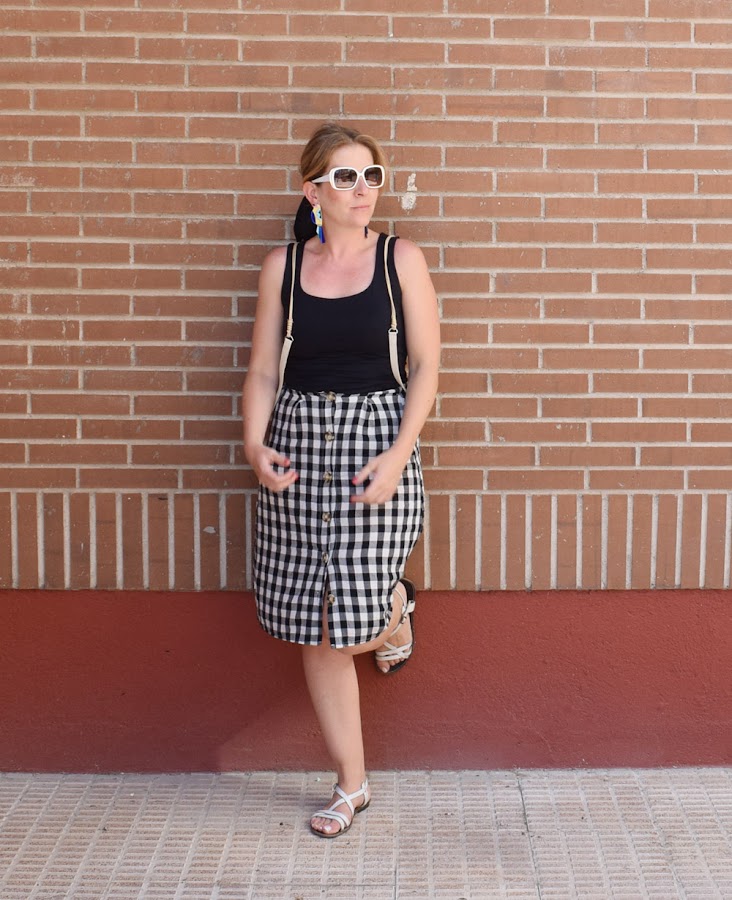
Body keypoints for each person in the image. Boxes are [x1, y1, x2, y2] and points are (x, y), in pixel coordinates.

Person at [242, 122, 440, 837]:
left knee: (355, 618)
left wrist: (399, 454)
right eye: (346, 177)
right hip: (298, 443)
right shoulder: (283, 267)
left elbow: (426, 367)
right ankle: (351, 786)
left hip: (375, 444)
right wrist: (254, 443)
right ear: (313, 191)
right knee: (316, 623)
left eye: (372, 176)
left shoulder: (400, 259)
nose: (363, 189)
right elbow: (263, 370)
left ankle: (395, 608)